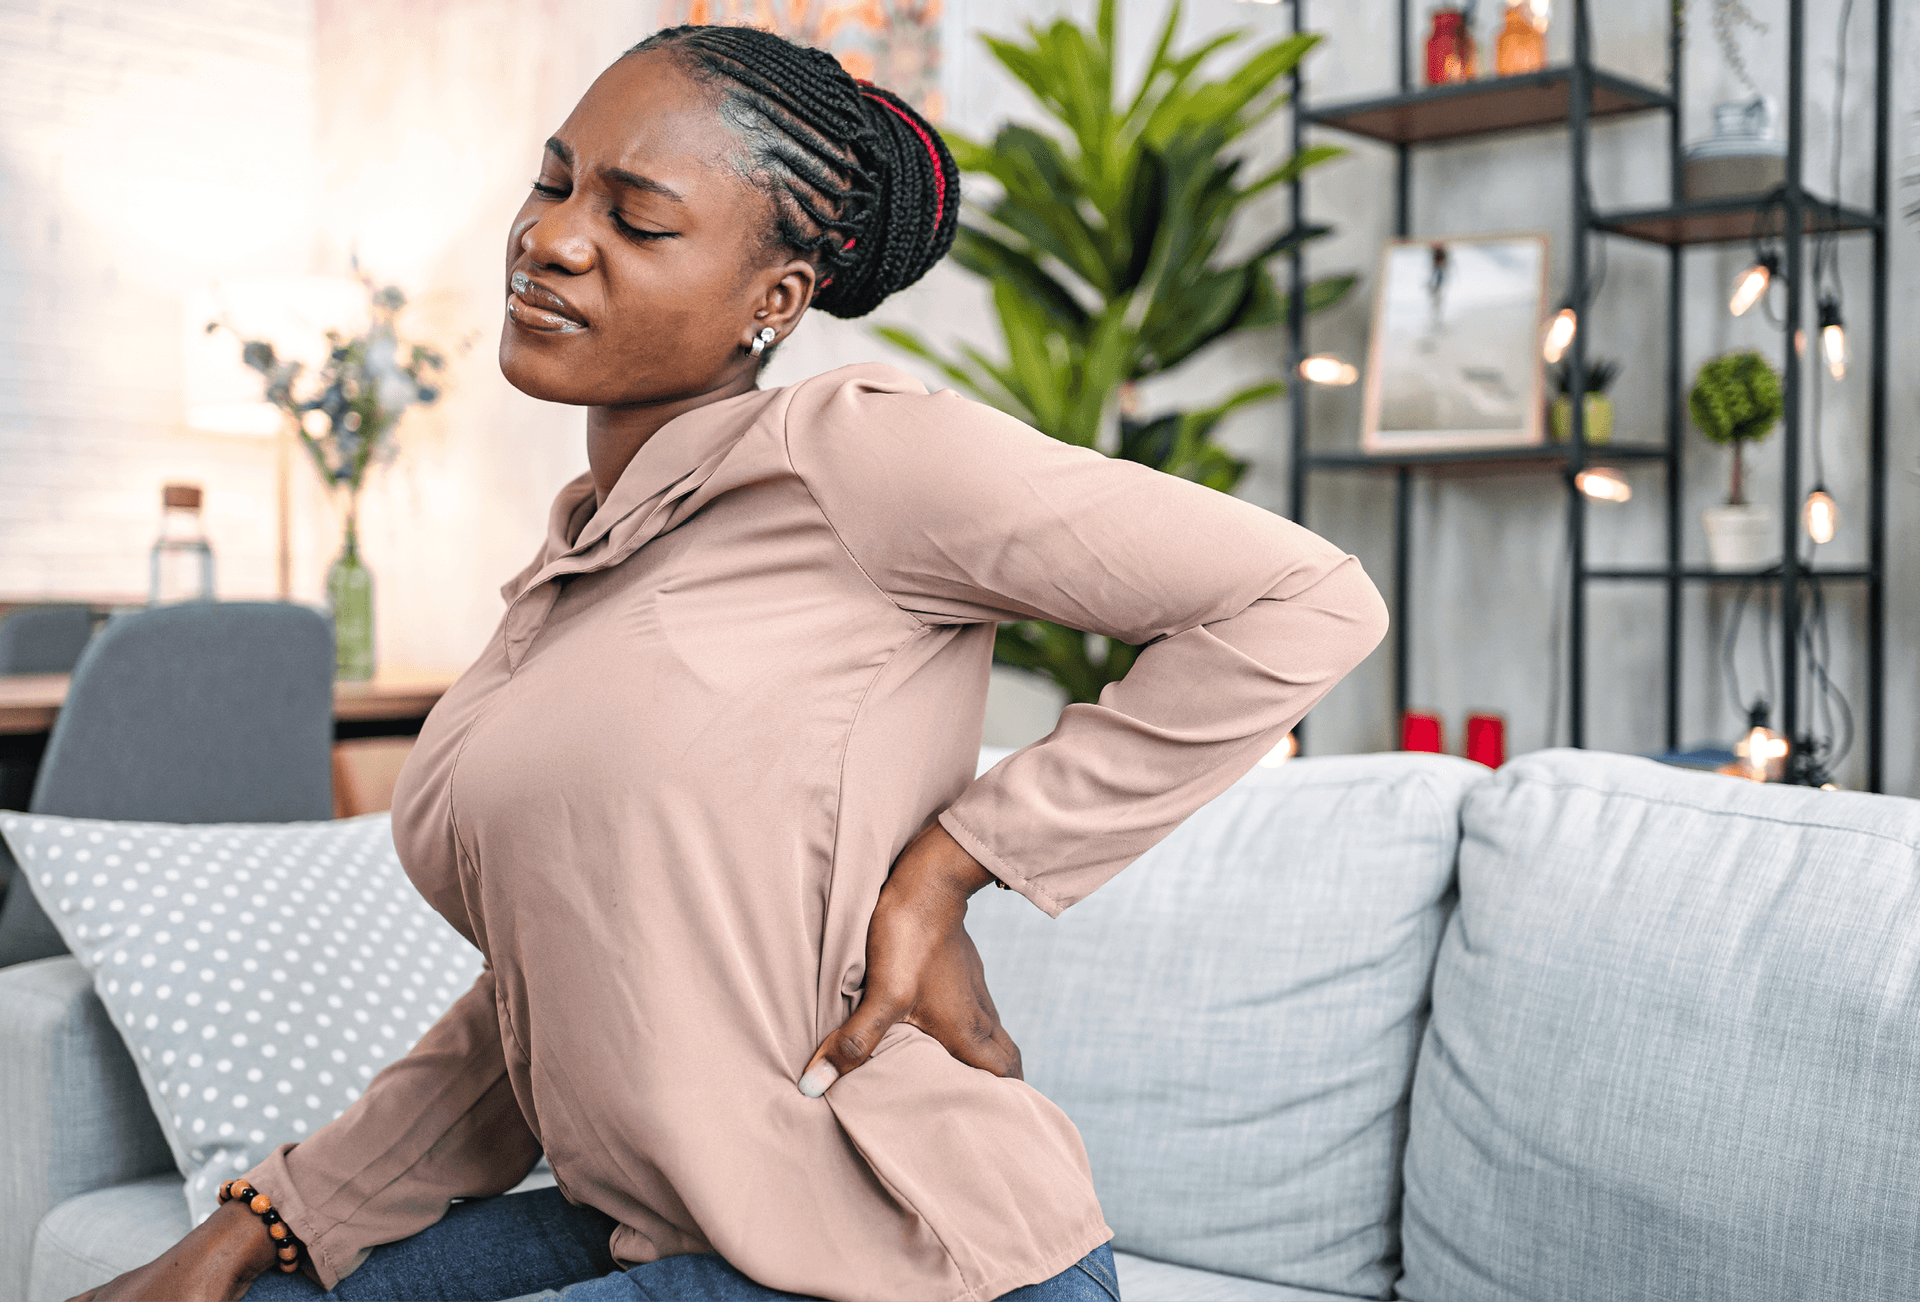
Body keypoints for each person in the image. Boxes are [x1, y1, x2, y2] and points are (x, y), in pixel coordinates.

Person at [73, 23, 1386, 1302]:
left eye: (638, 221)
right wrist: (263, 1218)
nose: (553, 236)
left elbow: (1304, 598)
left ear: (777, 300)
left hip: (917, 1246)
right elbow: (548, 994)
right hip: (658, 1221)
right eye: (552, 181)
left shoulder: (855, 456)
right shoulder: (570, 571)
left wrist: (957, 861)